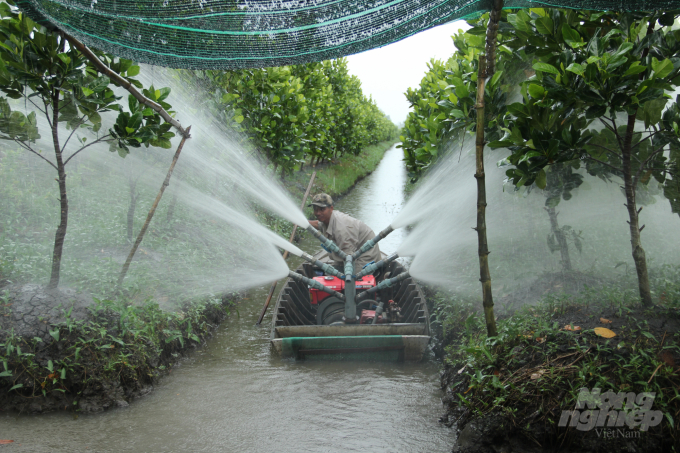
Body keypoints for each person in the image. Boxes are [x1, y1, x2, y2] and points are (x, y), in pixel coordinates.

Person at [308, 193, 381, 273]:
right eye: (316, 209)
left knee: (351, 278)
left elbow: (348, 257)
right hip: (352, 252)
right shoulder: (327, 219)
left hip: (365, 255)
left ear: (331, 208)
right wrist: (304, 223)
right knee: (329, 273)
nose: (318, 213)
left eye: (322, 209)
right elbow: (319, 224)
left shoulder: (341, 229)